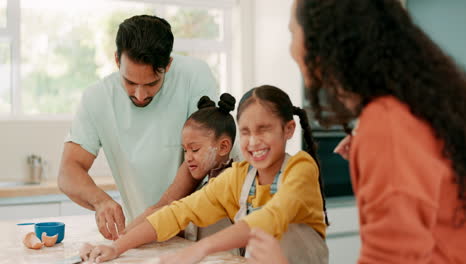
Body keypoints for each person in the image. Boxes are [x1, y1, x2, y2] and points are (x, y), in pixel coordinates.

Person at [247, 0, 466, 263]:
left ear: (324, 42)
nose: (291, 47)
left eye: (293, 33)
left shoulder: (386, 125)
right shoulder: (407, 112)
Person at [79, 85, 329, 264]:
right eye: (246, 132)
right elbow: (177, 212)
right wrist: (116, 247)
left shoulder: (301, 169)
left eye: (263, 129)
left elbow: (274, 216)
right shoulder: (238, 179)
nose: (253, 142)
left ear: (288, 129)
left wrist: (200, 249)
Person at [58, 14, 217, 240]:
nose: (140, 95)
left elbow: (203, 156)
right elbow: (68, 170)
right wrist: (100, 200)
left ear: (168, 65)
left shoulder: (195, 76)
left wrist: (159, 212)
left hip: (206, 229)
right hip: (147, 233)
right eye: (130, 82)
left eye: (152, 84)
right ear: (116, 60)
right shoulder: (98, 98)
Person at [124, 93, 238, 244]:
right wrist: (121, 238)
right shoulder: (207, 179)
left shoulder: (230, 182)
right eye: (185, 150)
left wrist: (121, 241)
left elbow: (171, 216)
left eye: (195, 149)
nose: (188, 158)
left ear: (223, 147)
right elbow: (164, 209)